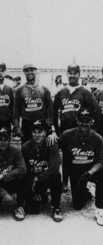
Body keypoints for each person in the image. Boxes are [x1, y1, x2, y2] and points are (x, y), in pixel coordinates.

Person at [53, 64, 101, 192]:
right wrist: (56, 131)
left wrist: (93, 130)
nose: (72, 75)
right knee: (66, 156)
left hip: (80, 127)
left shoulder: (85, 92)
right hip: (65, 126)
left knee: (78, 155)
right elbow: (53, 111)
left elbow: (96, 111)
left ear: (79, 75)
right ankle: (64, 183)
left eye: (75, 73)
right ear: (67, 74)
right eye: (70, 73)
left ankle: (82, 181)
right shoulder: (61, 92)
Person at [58, 108, 103, 226]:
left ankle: (100, 209)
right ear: (77, 121)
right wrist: (51, 137)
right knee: (77, 205)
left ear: (92, 122)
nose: (84, 123)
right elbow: (54, 148)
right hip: (76, 170)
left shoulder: (97, 138)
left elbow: (100, 161)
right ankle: (85, 192)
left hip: (91, 170)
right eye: (81, 120)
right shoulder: (67, 135)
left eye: (87, 121)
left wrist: (89, 173)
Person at [21, 120, 62, 222]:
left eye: (40, 132)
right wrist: (32, 190)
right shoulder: (25, 147)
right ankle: (40, 193)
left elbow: (54, 168)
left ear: (45, 133)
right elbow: (25, 170)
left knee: (56, 177)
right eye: (34, 132)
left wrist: (37, 178)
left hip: (46, 177)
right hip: (33, 178)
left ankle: (55, 206)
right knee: (32, 210)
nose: (37, 135)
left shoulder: (51, 144)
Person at [0, 127, 26, 221]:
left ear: (9, 140)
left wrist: (4, 175)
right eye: (0, 139)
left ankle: (18, 206)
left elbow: (22, 169)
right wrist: (4, 194)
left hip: (11, 181)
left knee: (22, 178)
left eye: (6, 139)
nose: (3, 142)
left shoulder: (16, 151)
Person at [13, 64, 57, 144]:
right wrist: (17, 126)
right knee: (27, 149)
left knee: (42, 149)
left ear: (36, 71)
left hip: (42, 123)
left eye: (32, 70)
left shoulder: (44, 89)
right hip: (27, 124)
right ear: (24, 72)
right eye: (27, 70)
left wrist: (50, 128)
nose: (29, 72)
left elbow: (50, 110)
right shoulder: (19, 90)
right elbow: (16, 110)